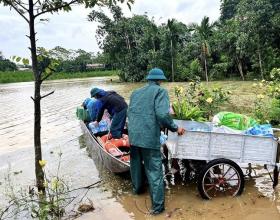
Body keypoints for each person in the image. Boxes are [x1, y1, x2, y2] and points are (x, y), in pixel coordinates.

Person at [127, 68, 185, 215]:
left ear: (148, 79)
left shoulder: (135, 92)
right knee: (154, 172)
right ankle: (157, 208)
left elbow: (131, 113)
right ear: (160, 80)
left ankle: (137, 191)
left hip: (133, 136)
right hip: (148, 137)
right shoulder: (160, 92)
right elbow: (162, 114)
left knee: (136, 167)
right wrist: (175, 127)